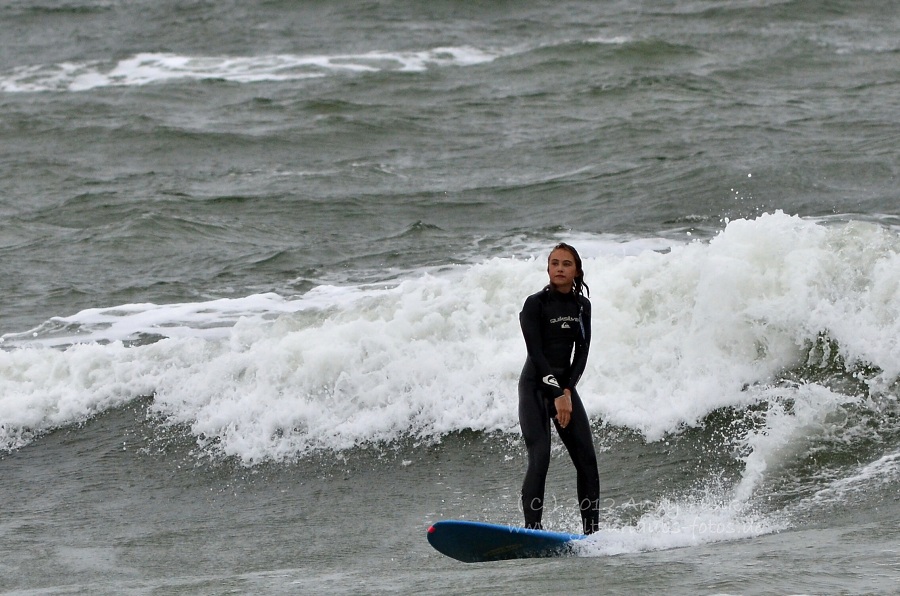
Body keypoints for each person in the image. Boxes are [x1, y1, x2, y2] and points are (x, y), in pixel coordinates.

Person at [518, 242, 600, 534]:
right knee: (540, 456)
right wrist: (556, 393)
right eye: (555, 263)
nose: (560, 269)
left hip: (564, 389)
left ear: (576, 270)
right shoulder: (535, 304)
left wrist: (566, 391)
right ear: (548, 268)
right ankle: (533, 531)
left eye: (566, 264)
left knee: (587, 461)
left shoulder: (581, 307)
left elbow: (582, 353)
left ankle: (592, 534)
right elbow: (537, 355)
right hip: (534, 388)